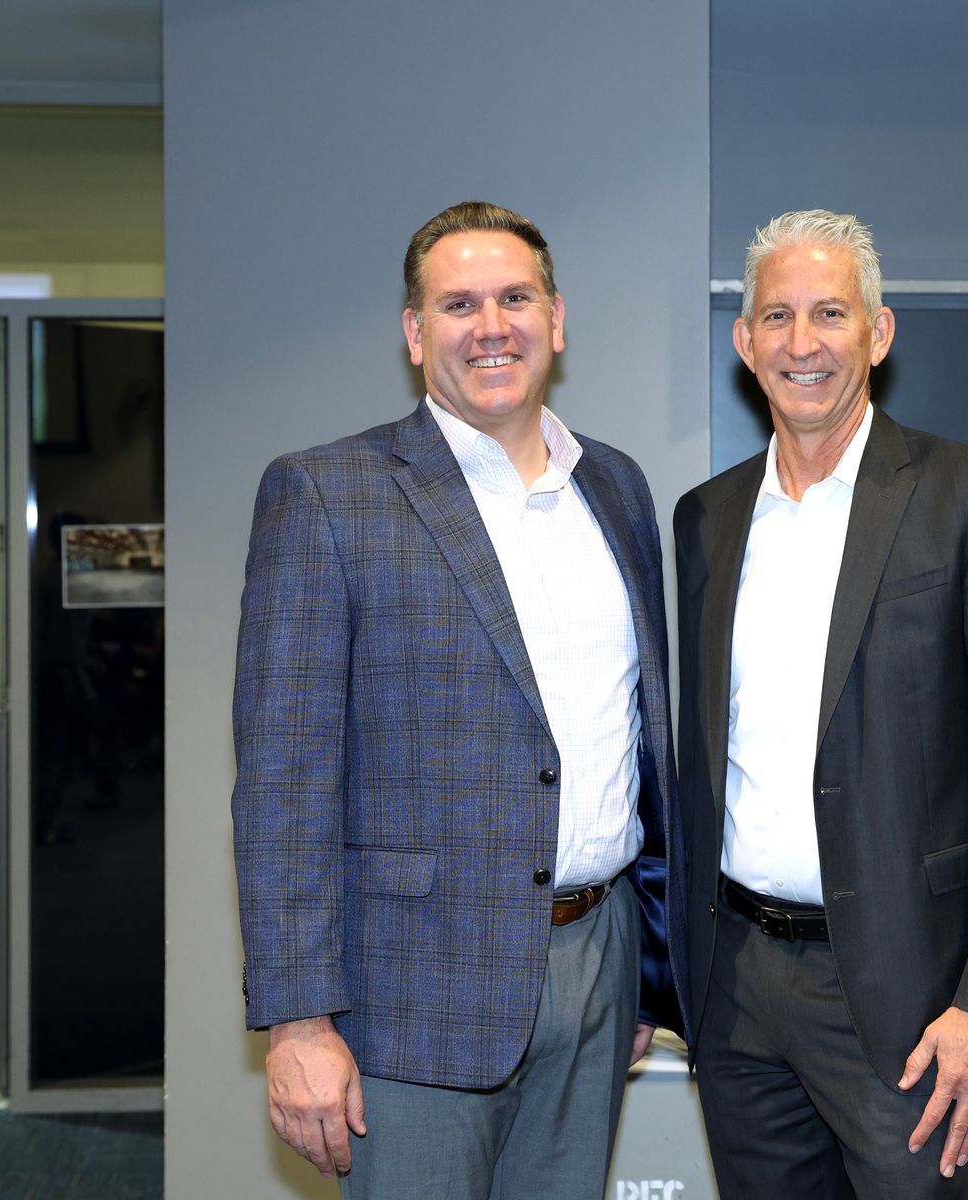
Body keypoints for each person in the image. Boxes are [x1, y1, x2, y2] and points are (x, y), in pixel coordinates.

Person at [232, 200, 686, 1199]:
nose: (492, 327)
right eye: (459, 304)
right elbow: (281, 783)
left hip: (600, 964)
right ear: (414, 332)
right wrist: (300, 1021)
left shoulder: (616, 487)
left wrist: (648, 973)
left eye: (516, 298)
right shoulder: (327, 494)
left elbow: (638, 740)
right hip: (413, 988)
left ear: (557, 319)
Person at [673, 209, 968, 1198]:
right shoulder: (706, 519)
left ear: (878, 333)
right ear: (744, 341)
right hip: (736, 991)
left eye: (830, 314)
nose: (802, 343)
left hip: (908, 997)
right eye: (778, 316)